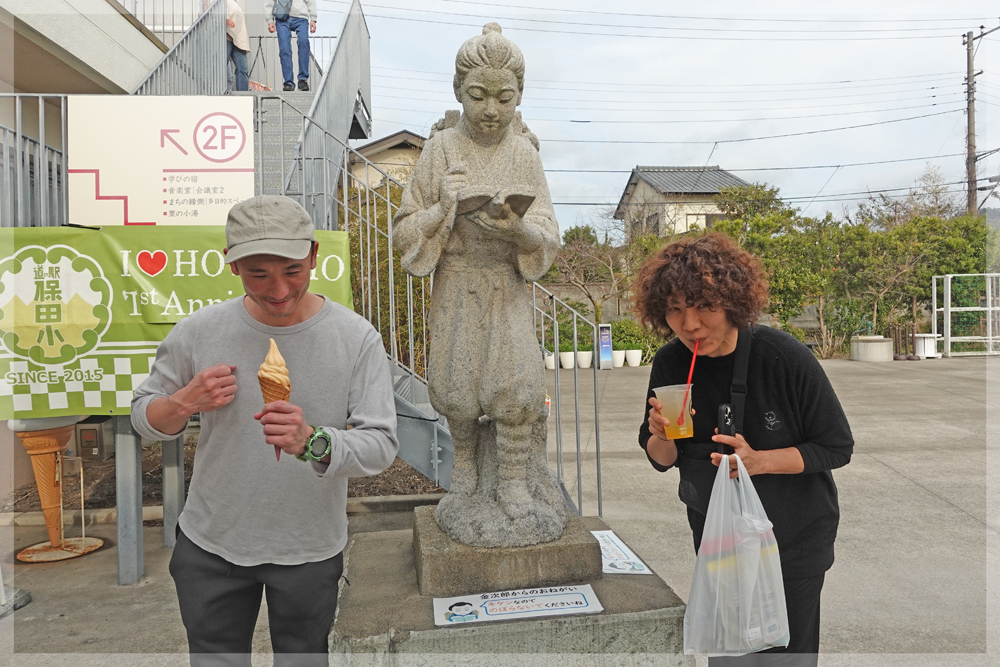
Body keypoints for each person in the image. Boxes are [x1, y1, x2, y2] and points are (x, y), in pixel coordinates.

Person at [131, 195, 398, 666]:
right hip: (212, 541)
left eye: (293, 271)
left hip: (309, 547)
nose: (278, 289)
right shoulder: (200, 331)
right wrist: (181, 403)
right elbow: (145, 419)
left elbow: (380, 446)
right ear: (232, 266)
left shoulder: (355, 337)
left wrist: (314, 440)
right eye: (259, 274)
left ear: (314, 256)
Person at [633, 233, 853, 667]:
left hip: (793, 541)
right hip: (718, 542)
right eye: (675, 309)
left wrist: (760, 461)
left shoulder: (783, 356)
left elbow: (835, 446)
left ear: (733, 302)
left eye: (704, 307)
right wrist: (660, 433)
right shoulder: (671, 362)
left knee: (783, 659)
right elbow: (662, 458)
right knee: (731, 657)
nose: (689, 324)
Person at [392, 23, 565, 547]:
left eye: (504, 98)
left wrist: (518, 230)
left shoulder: (525, 154)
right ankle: (464, 471)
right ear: (458, 92)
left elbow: (549, 234)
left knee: (517, 385)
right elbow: (404, 229)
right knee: (455, 385)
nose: (491, 109)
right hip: (457, 283)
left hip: (506, 286)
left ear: (519, 97)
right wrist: (444, 207)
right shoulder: (440, 148)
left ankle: (513, 482)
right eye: (478, 96)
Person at [265, 0, 317, 91]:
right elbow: (268, 1)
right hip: (282, 17)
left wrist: (313, 18)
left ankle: (302, 80)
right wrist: (270, 20)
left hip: (301, 17)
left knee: (303, 42)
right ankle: (288, 82)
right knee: (284, 49)